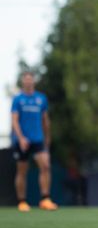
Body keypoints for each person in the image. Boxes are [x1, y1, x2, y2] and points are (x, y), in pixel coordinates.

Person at [11, 71, 58, 212]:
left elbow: (45, 120)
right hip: (22, 141)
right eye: (26, 79)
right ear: (22, 82)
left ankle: (45, 199)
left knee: (45, 166)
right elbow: (14, 120)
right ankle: (22, 202)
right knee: (22, 171)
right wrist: (20, 138)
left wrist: (47, 137)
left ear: (34, 81)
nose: (28, 82)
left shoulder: (41, 98)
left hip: (38, 139)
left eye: (30, 79)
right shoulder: (18, 99)